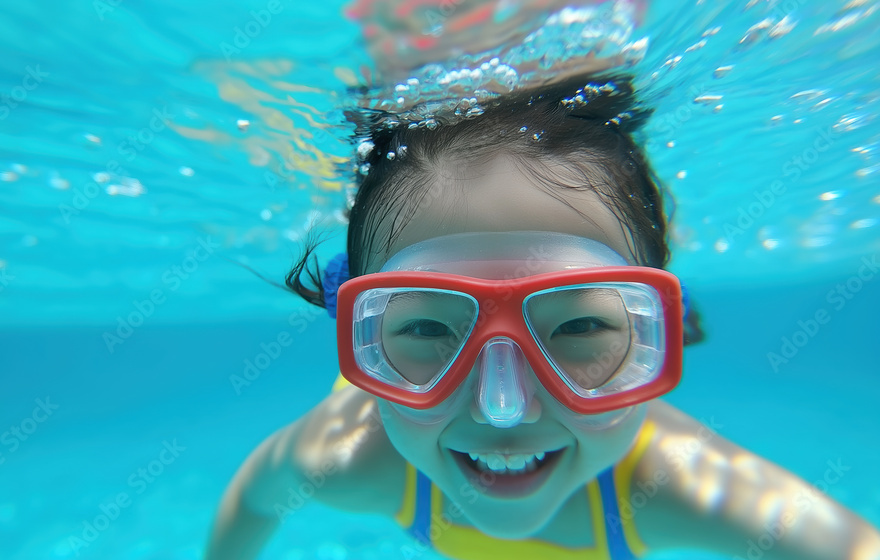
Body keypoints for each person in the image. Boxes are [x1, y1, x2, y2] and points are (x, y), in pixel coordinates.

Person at [206, 72, 880, 560]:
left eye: (579, 327)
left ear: (653, 334)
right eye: (429, 328)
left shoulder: (681, 485)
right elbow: (254, 498)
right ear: (362, 340)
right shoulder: (351, 455)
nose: (505, 409)